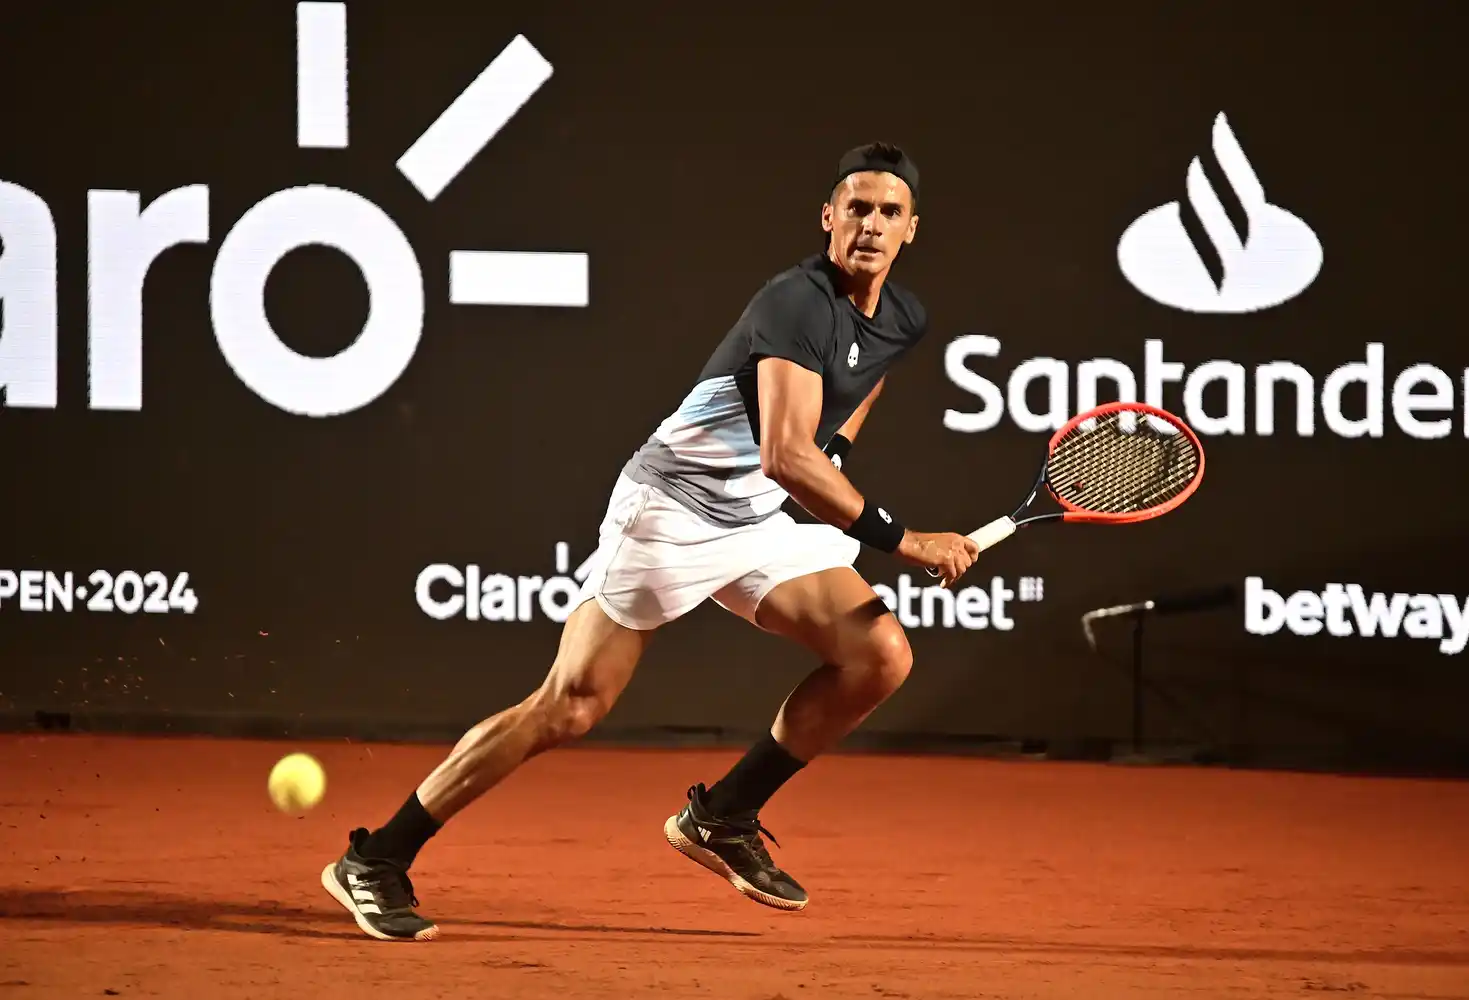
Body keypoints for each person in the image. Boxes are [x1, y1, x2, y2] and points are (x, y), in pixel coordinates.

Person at [320, 141, 980, 942]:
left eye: (889, 212)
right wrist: (905, 541)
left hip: (754, 518)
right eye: (857, 208)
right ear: (828, 217)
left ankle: (723, 815)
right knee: (571, 704)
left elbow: (860, 385)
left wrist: (837, 447)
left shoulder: (903, 317)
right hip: (671, 508)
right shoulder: (795, 303)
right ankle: (378, 857)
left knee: (878, 655)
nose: (871, 225)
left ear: (912, 228)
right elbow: (786, 455)